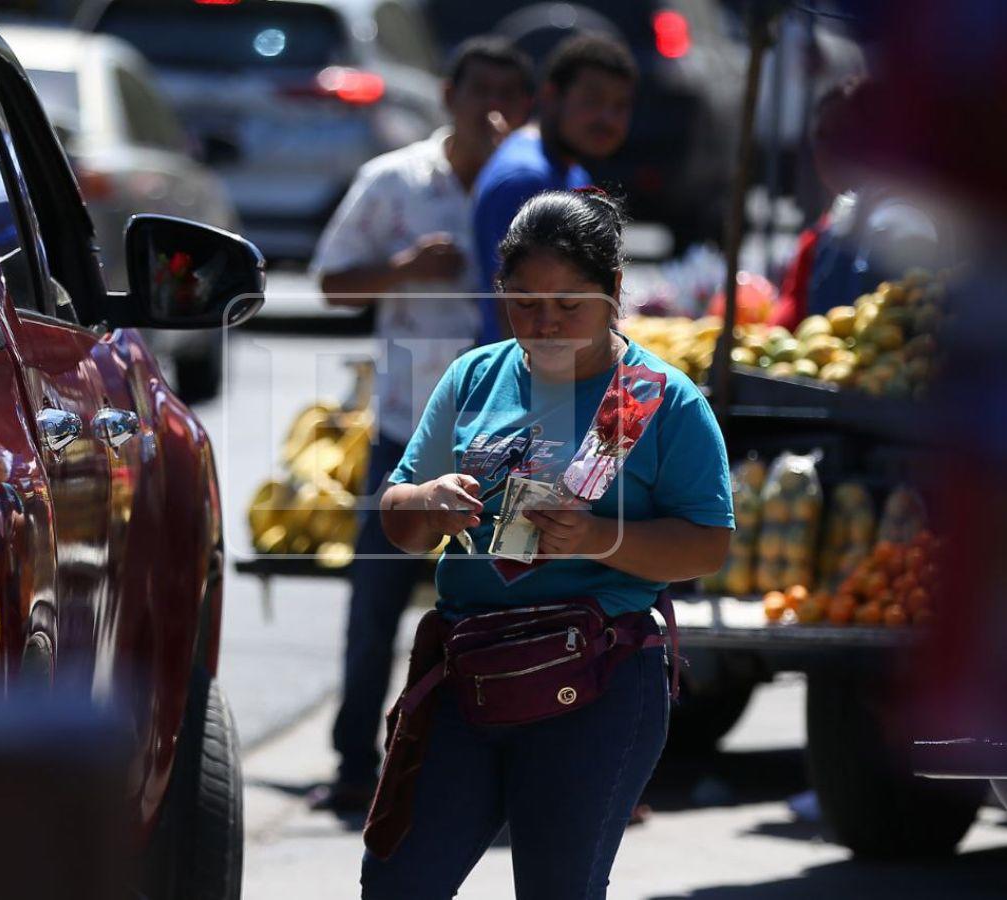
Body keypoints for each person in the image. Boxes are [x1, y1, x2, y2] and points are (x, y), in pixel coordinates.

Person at [362, 189, 734, 898]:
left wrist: (599, 538)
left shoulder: (660, 399)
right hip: (469, 670)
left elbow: (707, 547)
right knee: (396, 883)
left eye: (570, 306)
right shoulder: (475, 376)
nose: (546, 324)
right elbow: (396, 514)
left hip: (598, 684)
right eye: (525, 303)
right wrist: (428, 502)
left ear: (616, 291)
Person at [306, 37, 536, 813]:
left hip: (507, 441)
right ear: (449, 96)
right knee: (375, 605)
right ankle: (351, 765)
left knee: (506, 605)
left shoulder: (533, 193)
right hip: (409, 431)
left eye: (511, 90)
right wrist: (403, 269)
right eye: (481, 89)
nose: (494, 105)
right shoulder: (395, 180)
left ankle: (497, 764)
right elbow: (332, 284)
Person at [473, 32, 638, 344]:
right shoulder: (524, 179)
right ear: (550, 96)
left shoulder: (572, 171)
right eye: (593, 101)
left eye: (620, 106)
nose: (608, 119)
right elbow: (513, 309)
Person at [770, 75, 941, 330]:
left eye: (845, 135)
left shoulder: (902, 227)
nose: (829, 149)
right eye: (821, 135)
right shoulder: (828, 233)